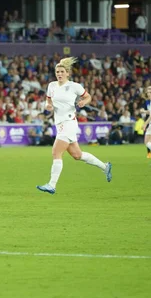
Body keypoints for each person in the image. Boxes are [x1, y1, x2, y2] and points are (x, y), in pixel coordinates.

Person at [36, 57, 112, 195]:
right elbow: (48, 101)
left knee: (56, 152)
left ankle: (51, 185)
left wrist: (84, 102)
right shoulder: (51, 86)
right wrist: (48, 106)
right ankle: (105, 167)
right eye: (57, 71)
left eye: (62, 71)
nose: (59, 74)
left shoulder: (74, 86)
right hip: (59, 124)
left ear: (67, 73)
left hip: (69, 122)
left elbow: (88, 97)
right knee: (77, 155)